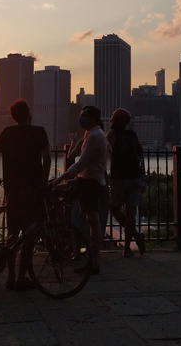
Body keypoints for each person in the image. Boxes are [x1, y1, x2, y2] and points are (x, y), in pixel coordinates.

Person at [0, 100, 50, 291]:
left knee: (13, 233)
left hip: (13, 189)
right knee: (30, 235)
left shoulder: (8, 132)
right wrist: (45, 181)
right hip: (33, 189)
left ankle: (11, 277)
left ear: (14, 116)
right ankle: (22, 277)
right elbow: (47, 157)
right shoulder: (39, 132)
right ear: (29, 114)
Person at [54, 105, 110, 274]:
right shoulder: (93, 134)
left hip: (89, 182)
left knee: (91, 220)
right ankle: (83, 253)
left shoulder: (94, 136)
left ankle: (92, 260)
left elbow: (81, 162)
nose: (81, 119)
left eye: (84, 116)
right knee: (89, 219)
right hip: (88, 180)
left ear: (93, 118)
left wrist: (62, 177)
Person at [106, 108, 146, 257]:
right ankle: (128, 246)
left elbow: (104, 150)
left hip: (119, 178)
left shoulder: (112, 134)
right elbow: (140, 157)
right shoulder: (133, 135)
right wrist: (143, 178)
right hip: (135, 178)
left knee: (114, 208)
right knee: (131, 213)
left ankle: (134, 237)